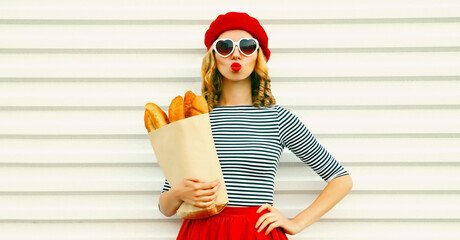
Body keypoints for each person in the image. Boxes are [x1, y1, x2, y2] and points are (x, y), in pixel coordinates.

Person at [158, 11, 353, 239]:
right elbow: (166, 207)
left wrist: (296, 222)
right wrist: (179, 192)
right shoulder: (195, 120)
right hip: (203, 231)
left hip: (256, 232)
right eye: (225, 47)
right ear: (213, 56)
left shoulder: (278, 119)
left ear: (258, 55)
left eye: (247, 46)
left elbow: (341, 179)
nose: (236, 55)